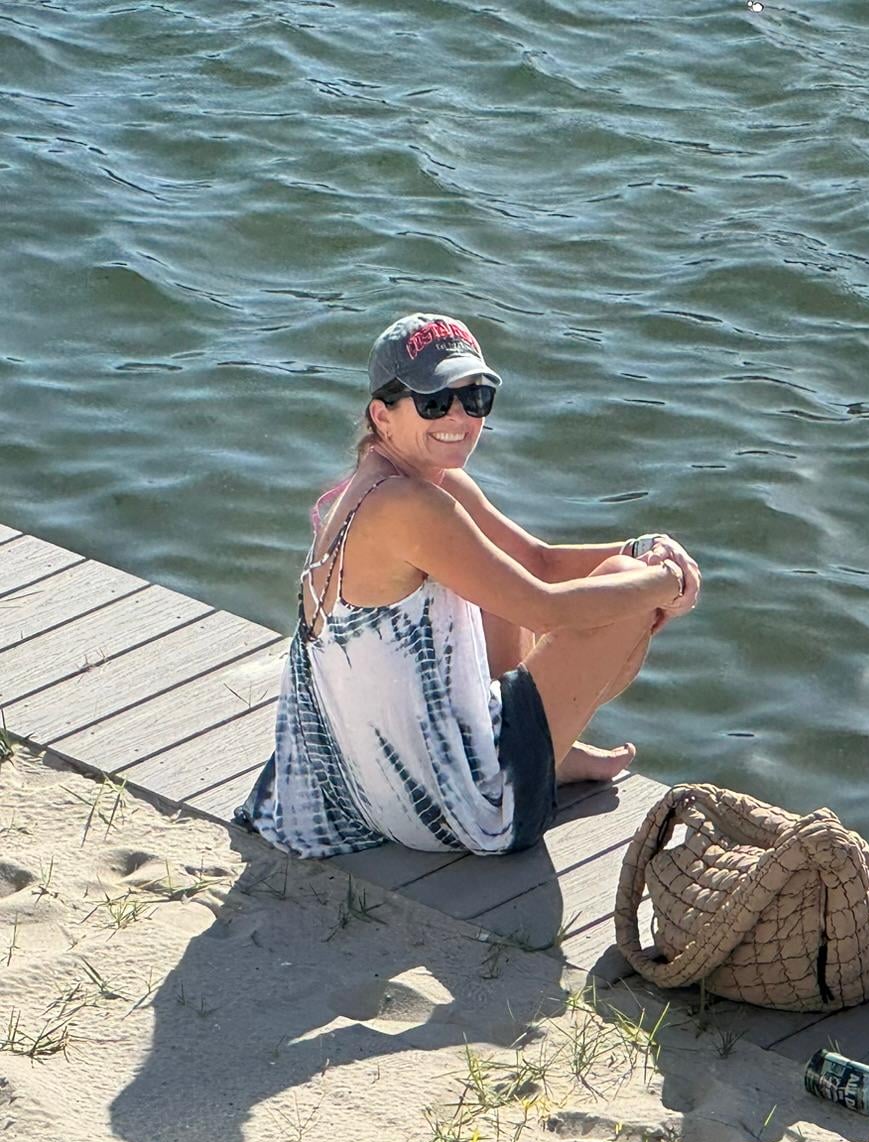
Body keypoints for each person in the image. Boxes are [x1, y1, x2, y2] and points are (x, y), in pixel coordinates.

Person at [239, 312, 700, 858]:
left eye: (474, 397)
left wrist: (640, 548)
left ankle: (553, 747)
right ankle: (540, 761)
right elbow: (547, 608)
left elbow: (538, 560)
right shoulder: (409, 507)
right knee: (622, 595)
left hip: (361, 788)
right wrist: (664, 585)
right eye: (434, 402)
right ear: (381, 416)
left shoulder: (390, 483)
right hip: (448, 810)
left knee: (517, 574)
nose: (458, 415)